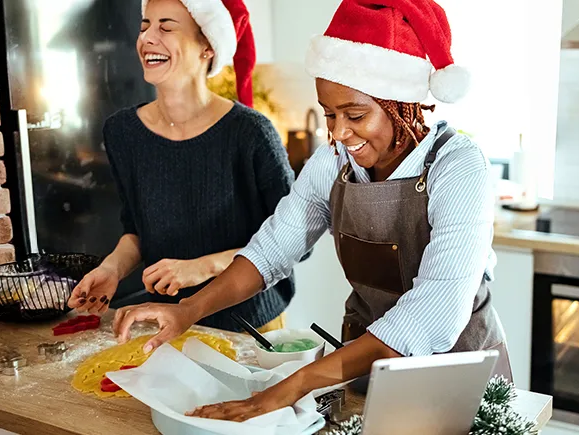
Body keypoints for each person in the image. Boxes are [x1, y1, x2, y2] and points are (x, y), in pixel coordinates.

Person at [113, 0, 513, 421]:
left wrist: (292, 387)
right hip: (370, 370)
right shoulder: (332, 163)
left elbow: (435, 310)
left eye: (356, 115)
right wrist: (187, 311)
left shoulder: (458, 166)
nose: (339, 133)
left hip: (461, 381)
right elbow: (270, 252)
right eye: (330, 114)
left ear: (402, 102)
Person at [67, 0, 295, 334]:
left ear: (207, 46)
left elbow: (291, 242)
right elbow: (138, 230)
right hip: (165, 324)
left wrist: (200, 268)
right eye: (145, 25)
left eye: (166, 27)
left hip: (250, 326)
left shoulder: (250, 132)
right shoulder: (123, 132)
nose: (147, 37)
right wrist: (112, 269)